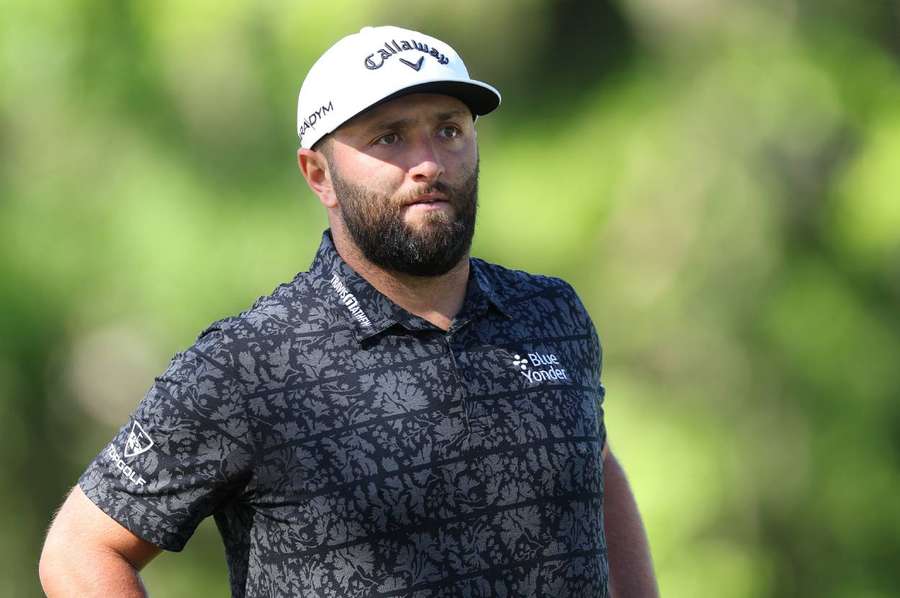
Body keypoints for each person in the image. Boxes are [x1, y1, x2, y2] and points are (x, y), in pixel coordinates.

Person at [39, 25, 658, 597]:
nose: (429, 163)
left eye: (449, 129)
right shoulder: (251, 363)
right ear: (319, 174)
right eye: (388, 137)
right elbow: (80, 549)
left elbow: (592, 470)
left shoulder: (551, 312)